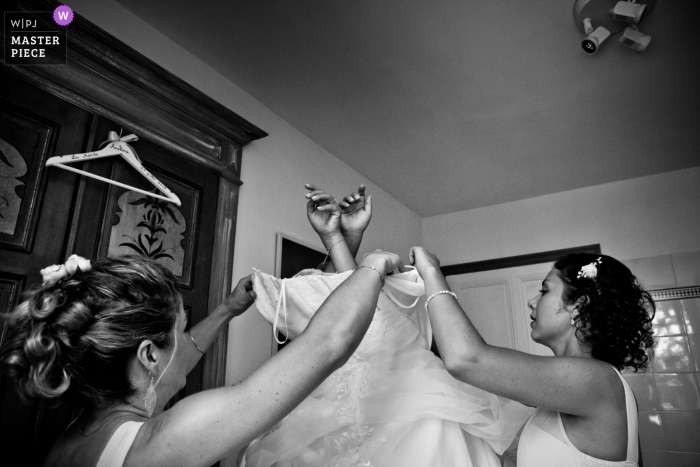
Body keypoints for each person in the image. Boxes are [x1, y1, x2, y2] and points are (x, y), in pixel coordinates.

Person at [0, 245, 402, 466]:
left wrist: (227, 310)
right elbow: (327, 345)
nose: (185, 340)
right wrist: (370, 267)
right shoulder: (164, 440)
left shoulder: (71, 439)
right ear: (148, 357)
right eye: (178, 331)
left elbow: (178, 361)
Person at [243, 185, 533, 467]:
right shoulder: (333, 355)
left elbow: (362, 301)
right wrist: (336, 239)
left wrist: (337, 239)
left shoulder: (391, 326)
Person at [408, 247, 655, 467]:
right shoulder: (589, 385)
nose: (532, 301)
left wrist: (431, 271)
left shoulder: (594, 379)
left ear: (579, 305)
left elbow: (466, 359)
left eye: (544, 291)